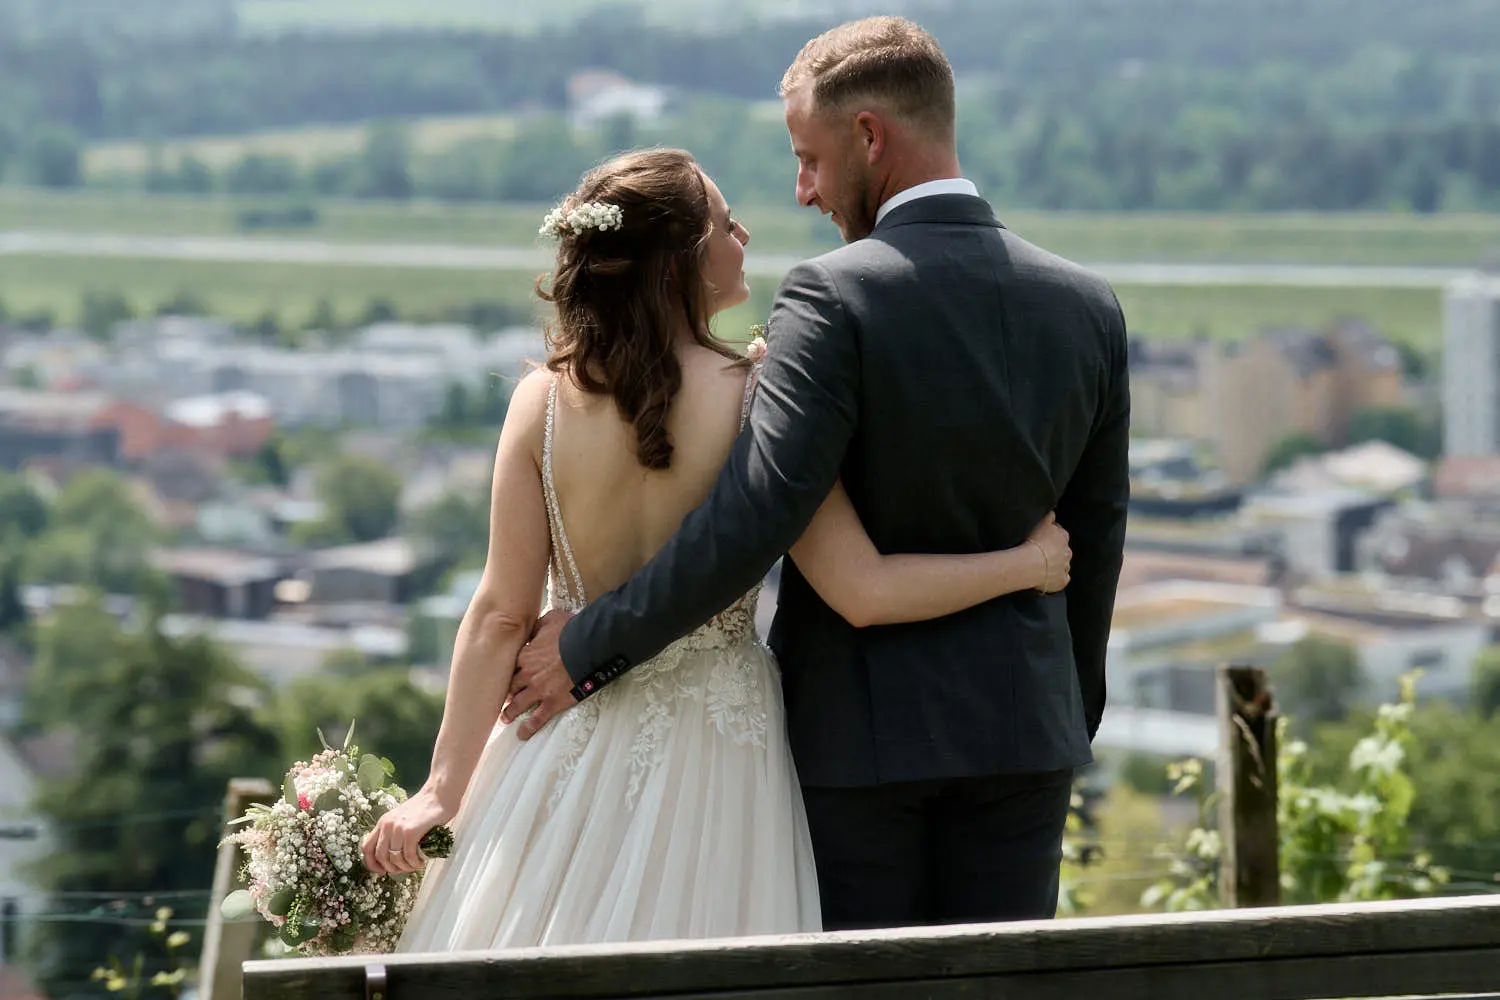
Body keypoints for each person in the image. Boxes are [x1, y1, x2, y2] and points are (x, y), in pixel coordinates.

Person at [507, 16, 1131, 931]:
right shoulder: (1088, 305)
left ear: (869, 136)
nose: (804, 192)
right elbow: (1096, 536)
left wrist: (589, 644)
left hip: (860, 746)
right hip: (1027, 737)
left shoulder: (833, 296)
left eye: (809, 159)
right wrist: (1065, 714)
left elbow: (755, 513)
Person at [365, 147, 1074, 950]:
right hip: (720, 762)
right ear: (682, 263)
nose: (745, 238)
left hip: (556, 738)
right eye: (727, 225)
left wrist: (442, 789)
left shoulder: (541, 401)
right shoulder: (759, 398)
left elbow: (499, 616)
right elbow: (863, 589)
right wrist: (1027, 565)